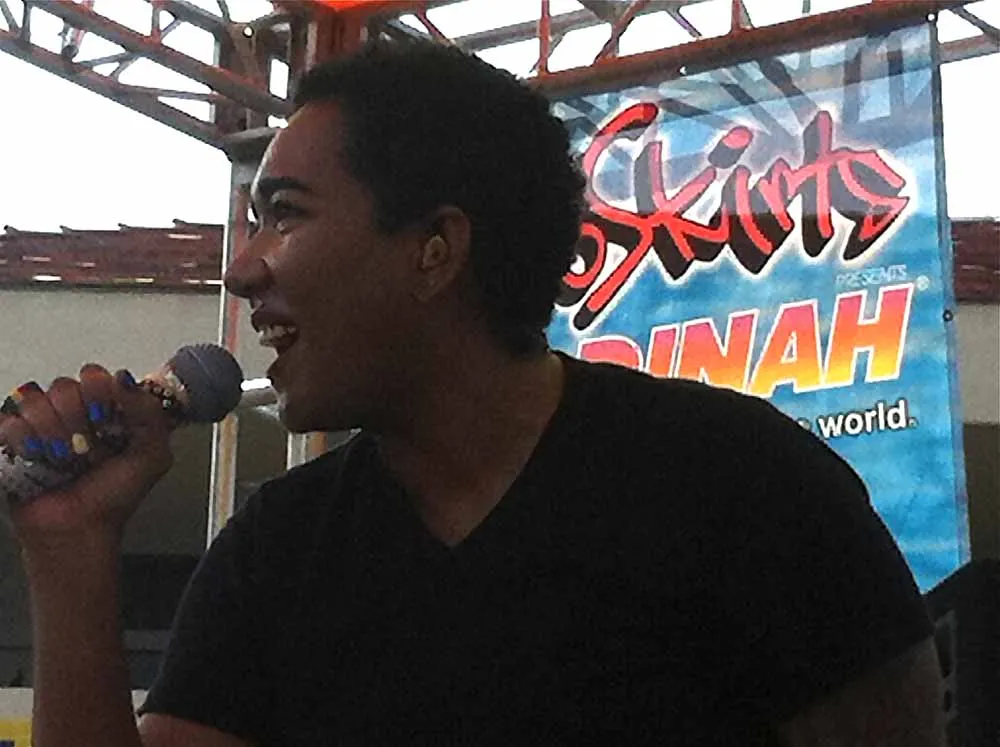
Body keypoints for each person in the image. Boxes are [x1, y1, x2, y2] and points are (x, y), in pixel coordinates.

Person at [0, 41, 944, 747]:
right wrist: (71, 546)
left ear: (435, 250)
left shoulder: (746, 487)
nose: (241, 269)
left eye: (284, 215)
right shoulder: (277, 555)